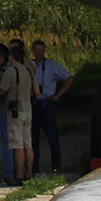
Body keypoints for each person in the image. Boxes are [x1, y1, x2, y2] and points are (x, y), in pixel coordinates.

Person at [30, 38, 72, 175]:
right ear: (33, 51)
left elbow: (69, 78)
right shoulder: (29, 65)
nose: (40, 53)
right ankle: (33, 167)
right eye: (37, 50)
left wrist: (58, 95)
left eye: (42, 50)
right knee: (32, 139)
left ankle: (56, 166)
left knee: (52, 137)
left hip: (47, 103)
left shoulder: (52, 65)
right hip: (33, 102)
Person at [0, 41, 34, 183]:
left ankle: (19, 175)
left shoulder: (11, 71)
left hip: (15, 111)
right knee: (28, 144)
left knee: (17, 144)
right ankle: (29, 173)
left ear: (11, 57)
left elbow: (2, 90)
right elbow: (36, 91)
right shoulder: (29, 70)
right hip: (28, 109)